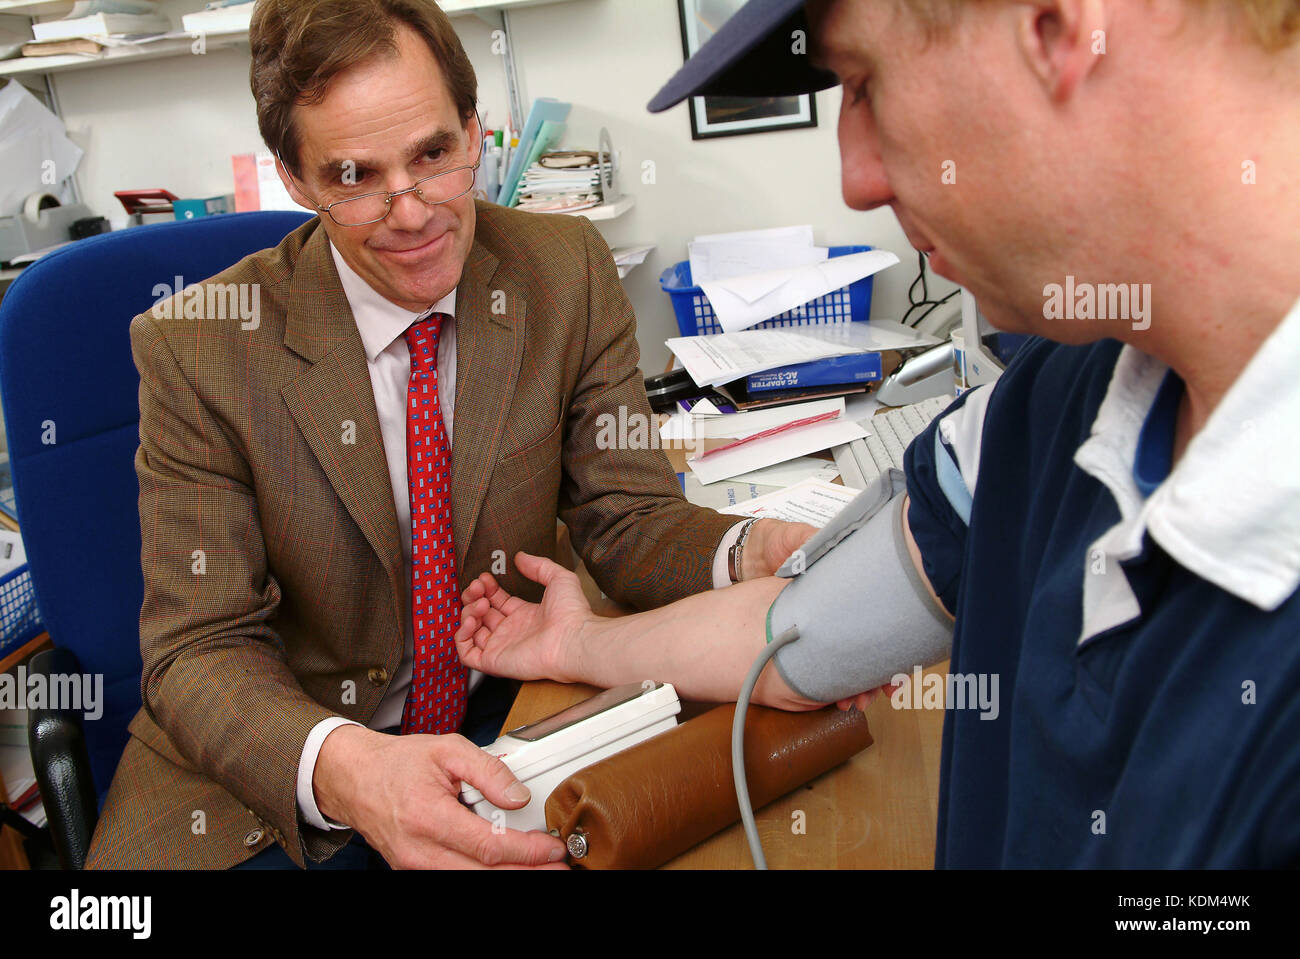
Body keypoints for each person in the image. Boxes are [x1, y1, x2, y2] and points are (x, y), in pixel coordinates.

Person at [457, 0, 1300, 867]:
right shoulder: (1043, 408)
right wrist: (574, 643)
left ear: (1056, 27)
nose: (857, 179)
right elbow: (799, 634)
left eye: (863, 83)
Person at [85, 0, 812, 871]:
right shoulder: (198, 347)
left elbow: (626, 517)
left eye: (435, 155)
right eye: (355, 175)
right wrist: (353, 770)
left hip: (503, 726)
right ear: (296, 179)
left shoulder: (565, 273)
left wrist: (746, 547)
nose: (412, 211)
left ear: (475, 132)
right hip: (279, 774)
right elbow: (198, 648)